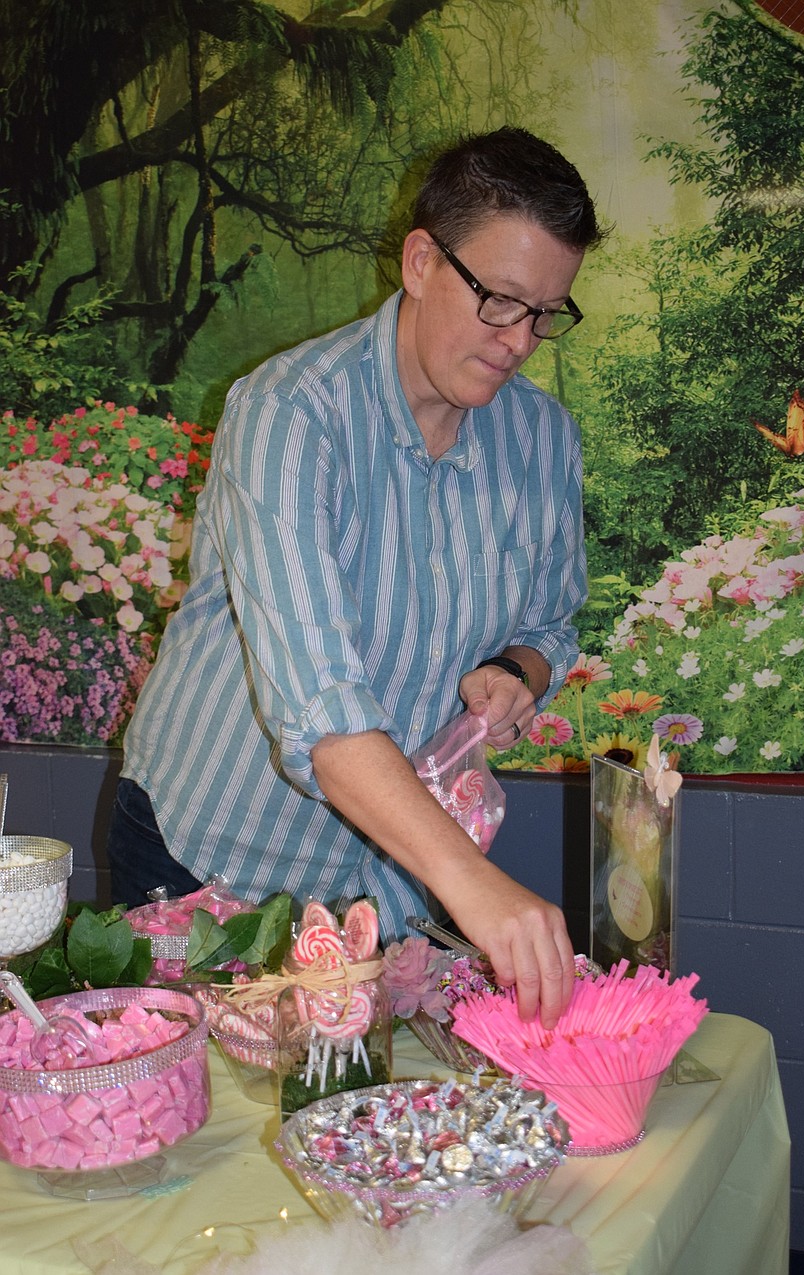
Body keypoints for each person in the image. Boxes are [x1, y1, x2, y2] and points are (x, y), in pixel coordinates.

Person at [107, 125, 605, 1028]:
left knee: (346, 1131)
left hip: (383, 877)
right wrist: (475, 886)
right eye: (499, 300)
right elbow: (324, 714)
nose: (521, 341)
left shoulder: (542, 440)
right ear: (420, 260)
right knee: (205, 1132)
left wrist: (518, 671)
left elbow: (552, 621)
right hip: (209, 853)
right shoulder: (290, 414)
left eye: (546, 313)